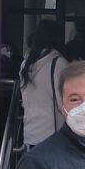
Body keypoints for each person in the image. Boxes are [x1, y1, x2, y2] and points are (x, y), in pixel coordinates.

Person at [18, 20, 69, 149]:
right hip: (52, 134)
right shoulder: (58, 63)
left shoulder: (26, 64)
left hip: (30, 131)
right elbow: (63, 102)